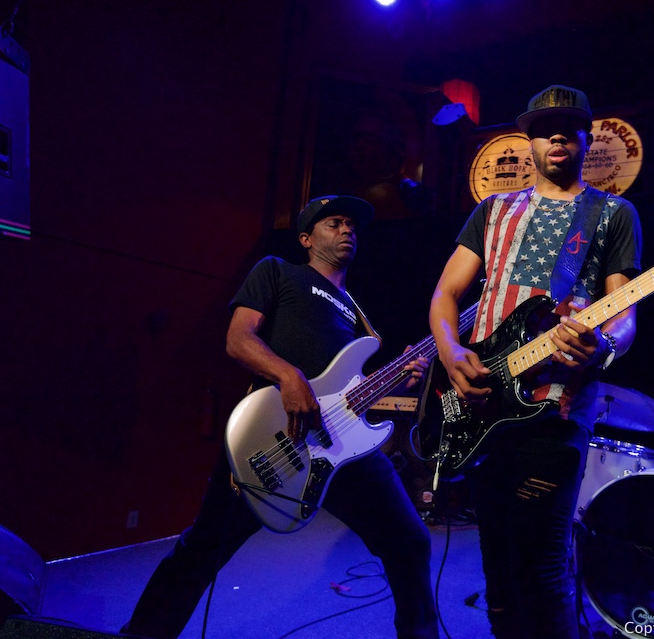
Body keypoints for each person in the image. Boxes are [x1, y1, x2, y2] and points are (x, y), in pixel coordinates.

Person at [122, 195, 438, 639]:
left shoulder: (358, 316)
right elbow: (237, 339)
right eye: (334, 222)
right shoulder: (278, 272)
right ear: (307, 238)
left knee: (410, 542)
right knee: (203, 550)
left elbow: (351, 399)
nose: (348, 229)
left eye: (352, 225)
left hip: (340, 446)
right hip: (274, 438)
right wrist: (289, 377)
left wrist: (400, 380)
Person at [428, 85, 642, 638]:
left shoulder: (613, 213)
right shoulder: (493, 211)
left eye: (568, 127)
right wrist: (452, 353)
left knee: (542, 569)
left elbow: (626, 312)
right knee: (497, 566)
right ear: (528, 141)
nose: (556, 136)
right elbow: (445, 296)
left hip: (559, 406)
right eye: (545, 127)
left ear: (585, 138)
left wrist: (606, 345)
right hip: (484, 401)